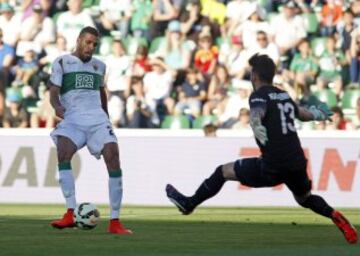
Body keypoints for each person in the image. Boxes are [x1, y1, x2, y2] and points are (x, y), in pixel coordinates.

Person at [166, 54, 358, 244]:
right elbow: (303, 114)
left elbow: (257, 114)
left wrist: (256, 124)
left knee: (222, 171)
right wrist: (319, 114)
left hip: (272, 165)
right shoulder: (283, 94)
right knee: (305, 199)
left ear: (255, 76)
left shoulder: (258, 95)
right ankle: (335, 215)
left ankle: (189, 204)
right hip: (296, 161)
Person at [48, 26, 131, 235]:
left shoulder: (99, 66)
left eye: (95, 44)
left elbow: (101, 92)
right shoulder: (62, 62)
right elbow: (53, 92)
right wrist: (57, 107)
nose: (91, 47)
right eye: (88, 42)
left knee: (113, 155)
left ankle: (115, 221)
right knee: (63, 152)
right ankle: (69, 212)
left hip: (97, 120)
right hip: (73, 119)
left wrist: (106, 115)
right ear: (78, 40)